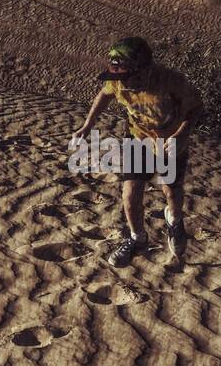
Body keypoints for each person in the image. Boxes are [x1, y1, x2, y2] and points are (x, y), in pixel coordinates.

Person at [75, 37, 202, 266]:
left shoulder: (170, 82)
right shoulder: (118, 80)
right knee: (130, 193)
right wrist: (88, 125)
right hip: (138, 140)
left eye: (127, 78)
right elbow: (104, 95)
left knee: (171, 193)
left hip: (169, 145)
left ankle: (174, 221)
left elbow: (196, 107)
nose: (122, 84)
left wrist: (181, 135)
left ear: (144, 69)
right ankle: (137, 239)